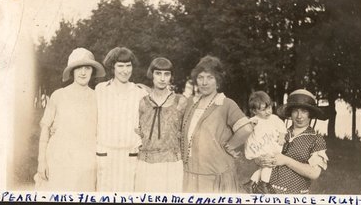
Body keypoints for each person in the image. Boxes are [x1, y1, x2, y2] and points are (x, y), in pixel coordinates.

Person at [34, 47, 106, 191]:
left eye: (87, 68)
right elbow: (45, 128)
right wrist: (41, 161)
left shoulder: (98, 96)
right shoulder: (58, 95)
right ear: (72, 71)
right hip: (59, 159)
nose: (83, 72)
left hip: (86, 163)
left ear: (93, 71)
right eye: (78, 68)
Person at [181, 55, 253, 193]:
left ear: (218, 81)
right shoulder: (191, 103)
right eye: (201, 77)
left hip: (215, 174)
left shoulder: (226, 103)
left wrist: (229, 146)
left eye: (210, 77)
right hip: (190, 171)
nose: (204, 82)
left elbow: (246, 129)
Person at [95, 47, 148, 192]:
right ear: (112, 67)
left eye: (128, 65)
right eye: (120, 66)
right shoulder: (100, 90)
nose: (125, 70)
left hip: (130, 157)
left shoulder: (140, 93)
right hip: (106, 156)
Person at [257, 89, 329, 194]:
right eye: (295, 110)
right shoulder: (278, 132)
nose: (299, 116)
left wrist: (286, 160)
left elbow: (314, 173)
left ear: (311, 114)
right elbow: (258, 156)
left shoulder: (316, 140)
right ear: (290, 113)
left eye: (304, 111)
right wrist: (260, 160)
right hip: (266, 193)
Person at [134, 57, 187, 192]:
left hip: (171, 164)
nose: (162, 78)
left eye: (166, 74)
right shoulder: (143, 102)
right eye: (158, 73)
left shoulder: (180, 102)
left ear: (171, 77)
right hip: (146, 164)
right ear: (152, 74)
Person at [243, 91, 287, 193]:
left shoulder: (274, 118)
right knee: (268, 165)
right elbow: (246, 130)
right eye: (263, 110)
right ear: (254, 111)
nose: (268, 112)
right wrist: (249, 126)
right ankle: (263, 185)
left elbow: (282, 127)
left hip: (272, 145)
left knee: (265, 168)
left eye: (269, 108)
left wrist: (281, 136)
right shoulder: (254, 120)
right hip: (262, 147)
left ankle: (251, 183)